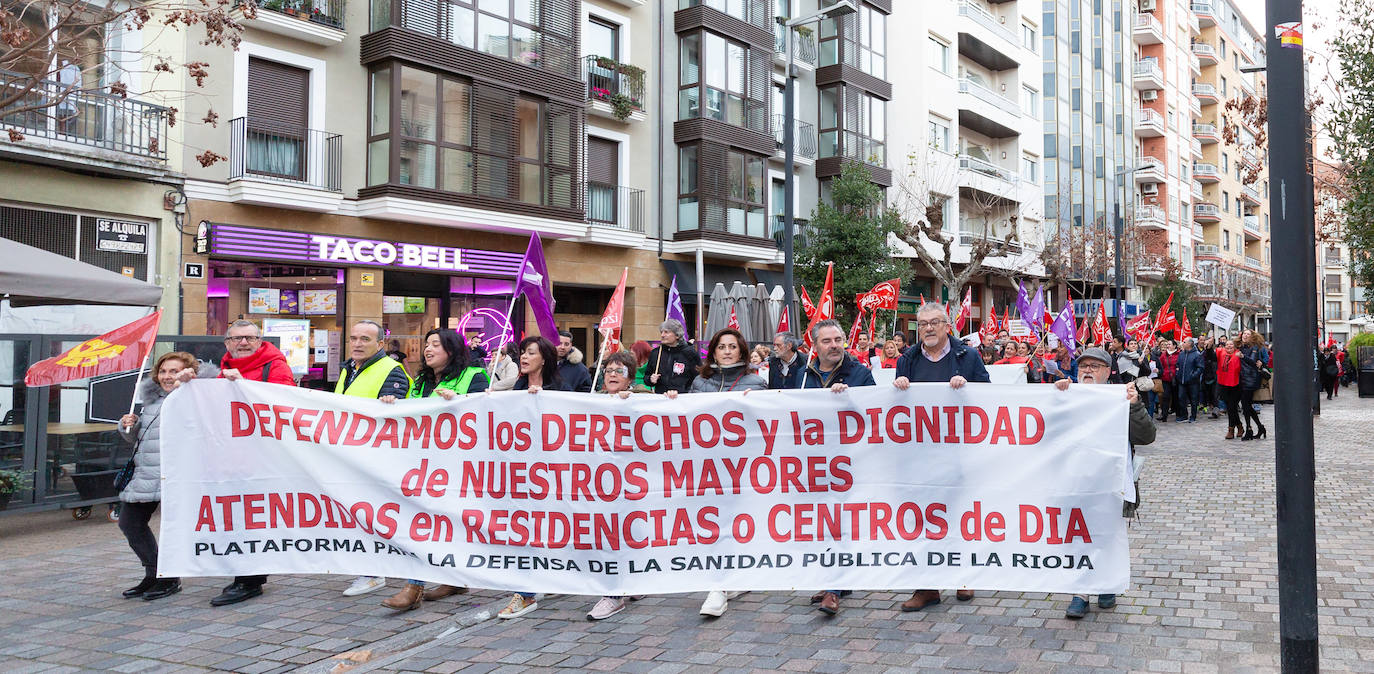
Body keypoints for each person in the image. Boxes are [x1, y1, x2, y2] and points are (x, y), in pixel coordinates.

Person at [380, 329, 488, 611]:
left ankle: (447, 578)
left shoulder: (474, 376)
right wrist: (393, 405)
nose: (427, 350)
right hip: (424, 464)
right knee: (422, 522)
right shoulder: (421, 381)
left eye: (435, 345)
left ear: (451, 350)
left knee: (448, 524)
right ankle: (415, 585)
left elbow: (486, 413)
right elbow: (410, 415)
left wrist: (457, 402)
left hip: (459, 466)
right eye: (427, 344)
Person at [892, 303, 990, 611]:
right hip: (920, 454)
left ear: (947, 325)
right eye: (922, 324)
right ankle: (927, 586)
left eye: (934, 322)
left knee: (960, 515)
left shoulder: (967, 357)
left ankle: (964, 576)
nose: (928, 328)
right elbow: (897, 408)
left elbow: (990, 397)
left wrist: (968, 387)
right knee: (923, 519)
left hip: (959, 452)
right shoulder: (907, 359)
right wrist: (899, 387)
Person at [1053, 347, 1155, 619]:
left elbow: (1146, 436)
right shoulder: (1066, 395)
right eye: (1083, 365)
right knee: (1077, 536)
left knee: (1108, 535)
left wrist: (1134, 406)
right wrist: (1054, 396)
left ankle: (1107, 583)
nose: (1087, 370)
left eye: (1094, 366)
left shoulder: (1121, 397)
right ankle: (1081, 592)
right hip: (1075, 482)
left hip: (1110, 484)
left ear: (1108, 372)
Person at [207, 319, 296, 607]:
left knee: (254, 517)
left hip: (263, 456)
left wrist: (244, 387)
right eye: (236, 339)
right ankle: (242, 573)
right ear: (227, 343)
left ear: (259, 340)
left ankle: (250, 579)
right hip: (231, 455)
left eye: (249, 338)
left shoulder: (275, 365)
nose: (243, 343)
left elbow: (283, 402)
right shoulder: (221, 370)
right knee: (234, 516)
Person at [680, 328, 767, 616]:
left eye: (732, 346)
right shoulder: (700, 381)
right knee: (712, 524)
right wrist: (671, 401)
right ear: (713, 351)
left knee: (734, 524)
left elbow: (766, 425)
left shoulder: (756, 382)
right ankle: (726, 581)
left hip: (740, 467)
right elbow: (686, 420)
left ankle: (719, 587)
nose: (727, 351)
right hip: (706, 466)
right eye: (721, 347)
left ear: (742, 351)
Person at [791, 319, 876, 615]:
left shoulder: (860, 374)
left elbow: (876, 412)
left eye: (838, 339)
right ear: (814, 346)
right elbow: (785, 410)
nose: (834, 345)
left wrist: (851, 400)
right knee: (822, 522)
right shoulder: (802, 375)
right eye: (827, 341)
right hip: (814, 461)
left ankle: (834, 590)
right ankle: (838, 580)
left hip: (849, 463)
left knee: (840, 523)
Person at [117, 351, 210, 602]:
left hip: (179, 475)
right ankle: (155, 573)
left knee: (176, 528)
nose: (168, 376)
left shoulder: (196, 396)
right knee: (130, 523)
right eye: (164, 371)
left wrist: (187, 386)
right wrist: (129, 425)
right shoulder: (152, 401)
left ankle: (169, 579)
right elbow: (141, 440)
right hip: (148, 474)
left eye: (174, 371)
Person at [498, 335, 572, 619]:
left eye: (531, 353)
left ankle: (548, 577)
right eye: (522, 353)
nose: (524, 358)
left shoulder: (560, 389)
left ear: (545, 358)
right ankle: (525, 592)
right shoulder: (516, 387)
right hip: (520, 473)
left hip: (552, 474)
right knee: (523, 531)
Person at [337, 320, 413, 599]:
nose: (357, 343)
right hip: (351, 453)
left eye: (365, 339)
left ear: (380, 344)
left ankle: (373, 572)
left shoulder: (392, 370)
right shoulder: (350, 369)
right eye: (354, 338)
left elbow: (394, 416)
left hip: (376, 457)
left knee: (373, 513)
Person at [585, 350, 651, 621]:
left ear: (630, 376)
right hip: (599, 480)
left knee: (628, 530)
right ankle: (624, 585)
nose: (612, 375)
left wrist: (635, 401)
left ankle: (616, 593)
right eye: (608, 371)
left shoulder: (643, 396)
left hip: (633, 479)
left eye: (619, 371)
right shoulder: (592, 400)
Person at [643, 319, 701, 394]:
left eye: (666, 332)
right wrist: (650, 379)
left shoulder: (690, 353)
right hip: (661, 399)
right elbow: (646, 376)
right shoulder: (656, 353)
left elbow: (699, 378)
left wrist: (687, 391)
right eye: (661, 332)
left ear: (677, 335)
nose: (662, 335)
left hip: (683, 400)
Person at [1238, 333, 1269, 440]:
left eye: (1248, 334)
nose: (1245, 336)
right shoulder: (1240, 347)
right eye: (1244, 334)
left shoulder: (1255, 348)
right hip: (1241, 379)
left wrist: (1242, 356)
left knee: (1246, 405)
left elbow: (1252, 361)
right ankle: (1259, 427)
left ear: (1252, 337)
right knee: (1246, 406)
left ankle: (1249, 429)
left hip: (1251, 379)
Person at [1216, 338, 1245, 439]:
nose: (1229, 346)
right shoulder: (1221, 353)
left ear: (1235, 346)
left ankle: (1231, 429)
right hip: (1224, 384)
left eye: (1231, 345)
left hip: (1236, 385)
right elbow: (1211, 355)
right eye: (1227, 345)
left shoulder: (1238, 354)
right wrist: (1209, 346)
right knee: (1230, 408)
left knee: (1232, 407)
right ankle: (1240, 426)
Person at [1175, 338, 1204, 423]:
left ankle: (1193, 416)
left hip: (1193, 382)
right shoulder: (1181, 354)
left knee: (1194, 400)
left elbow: (1200, 368)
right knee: (1181, 398)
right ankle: (1184, 416)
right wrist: (1178, 373)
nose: (1182, 343)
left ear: (1189, 344)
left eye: (1184, 342)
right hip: (1182, 381)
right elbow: (1178, 364)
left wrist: (1193, 376)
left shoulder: (1197, 354)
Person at [1156, 339, 1178, 422]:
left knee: (1176, 397)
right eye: (1167, 344)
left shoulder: (1179, 354)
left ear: (1174, 346)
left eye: (1169, 344)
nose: (1167, 346)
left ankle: (1178, 413)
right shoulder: (1163, 355)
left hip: (1175, 379)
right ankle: (1164, 415)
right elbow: (1160, 365)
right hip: (1165, 378)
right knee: (1165, 397)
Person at [1200, 336, 1220, 418]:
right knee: (1207, 395)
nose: (1205, 345)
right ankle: (1209, 407)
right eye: (1205, 343)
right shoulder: (1202, 353)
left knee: (1215, 395)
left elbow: (1210, 353)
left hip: (1213, 377)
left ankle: (1216, 411)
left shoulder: (1213, 352)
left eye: (1207, 343)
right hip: (1205, 377)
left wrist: (1209, 347)